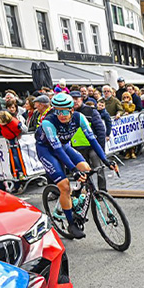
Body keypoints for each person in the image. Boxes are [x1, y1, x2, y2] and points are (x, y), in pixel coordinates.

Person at [35, 93, 117, 239]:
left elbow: (93, 140)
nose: (61, 115)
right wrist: (73, 170)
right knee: (65, 186)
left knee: (86, 169)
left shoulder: (80, 117)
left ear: (72, 110)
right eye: (57, 111)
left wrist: (105, 160)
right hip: (47, 151)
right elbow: (57, 150)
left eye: (65, 111)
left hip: (65, 147)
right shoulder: (48, 122)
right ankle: (71, 224)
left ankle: (76, 197)